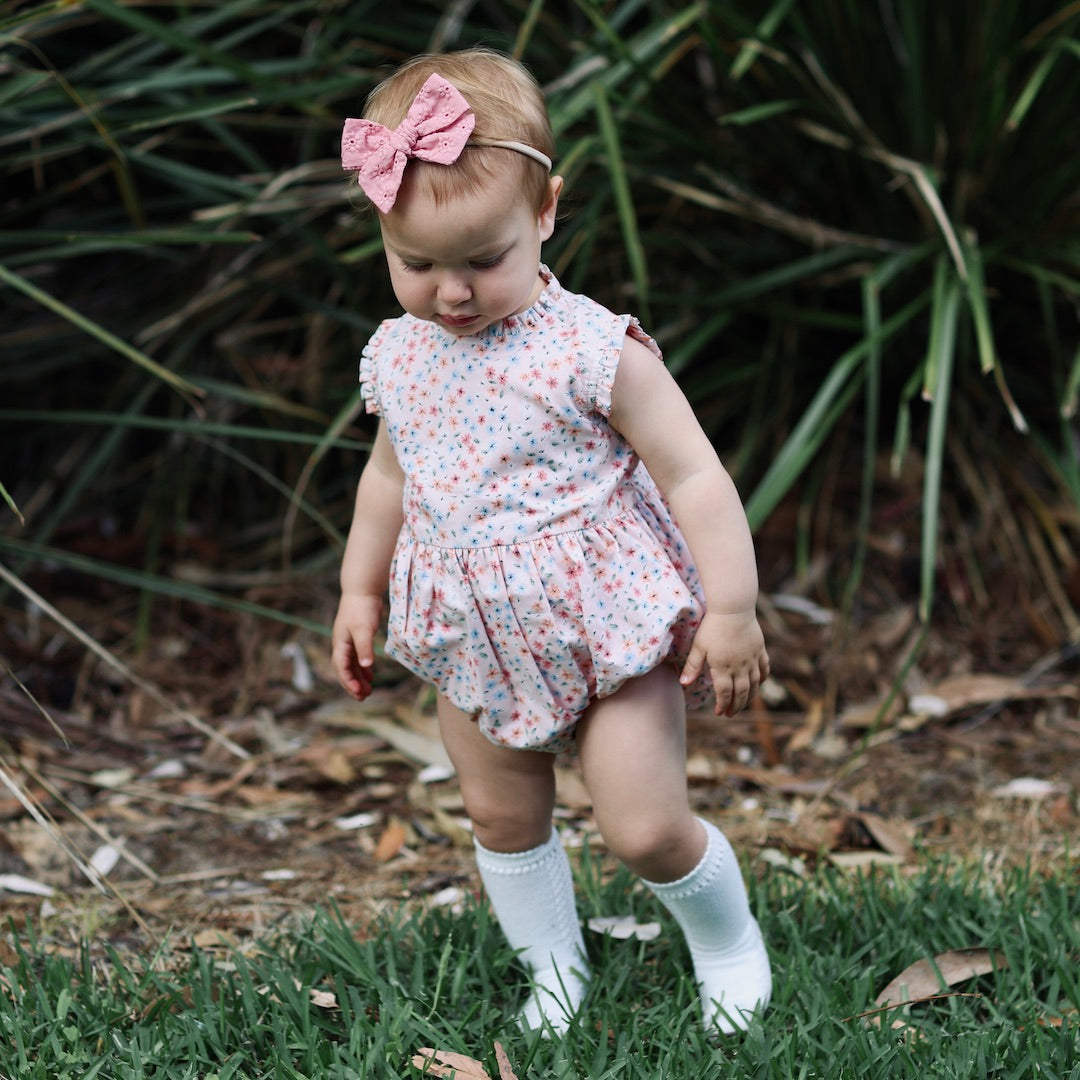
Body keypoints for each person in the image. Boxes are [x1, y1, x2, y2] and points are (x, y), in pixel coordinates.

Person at [331, 48, 772, 1037]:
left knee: (645, 825)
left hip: (605, 620)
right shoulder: (400, 358)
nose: (452, 292)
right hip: (475, 631)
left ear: (544, 212)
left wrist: (733, 607)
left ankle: (728, 940)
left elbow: (693, 472)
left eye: (482, 258)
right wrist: (360, 592)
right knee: (501, 816)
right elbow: (389, 479)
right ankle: (555, 974)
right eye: (418, 263)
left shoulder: (588, 347)